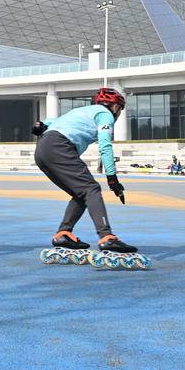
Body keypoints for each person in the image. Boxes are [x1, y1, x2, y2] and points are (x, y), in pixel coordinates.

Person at [31, 87, 139, 256]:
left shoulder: (82, 111)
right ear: (115, 107)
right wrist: (112, 178)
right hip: (59, 146)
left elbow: (52, 121)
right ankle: (106, 236)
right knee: (91, 189)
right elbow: (105, 145)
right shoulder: (105, 114)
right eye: (120, 109)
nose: (118, 114)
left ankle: (63, 233)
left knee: (81, 193)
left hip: (42, 150)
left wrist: (41, 125)